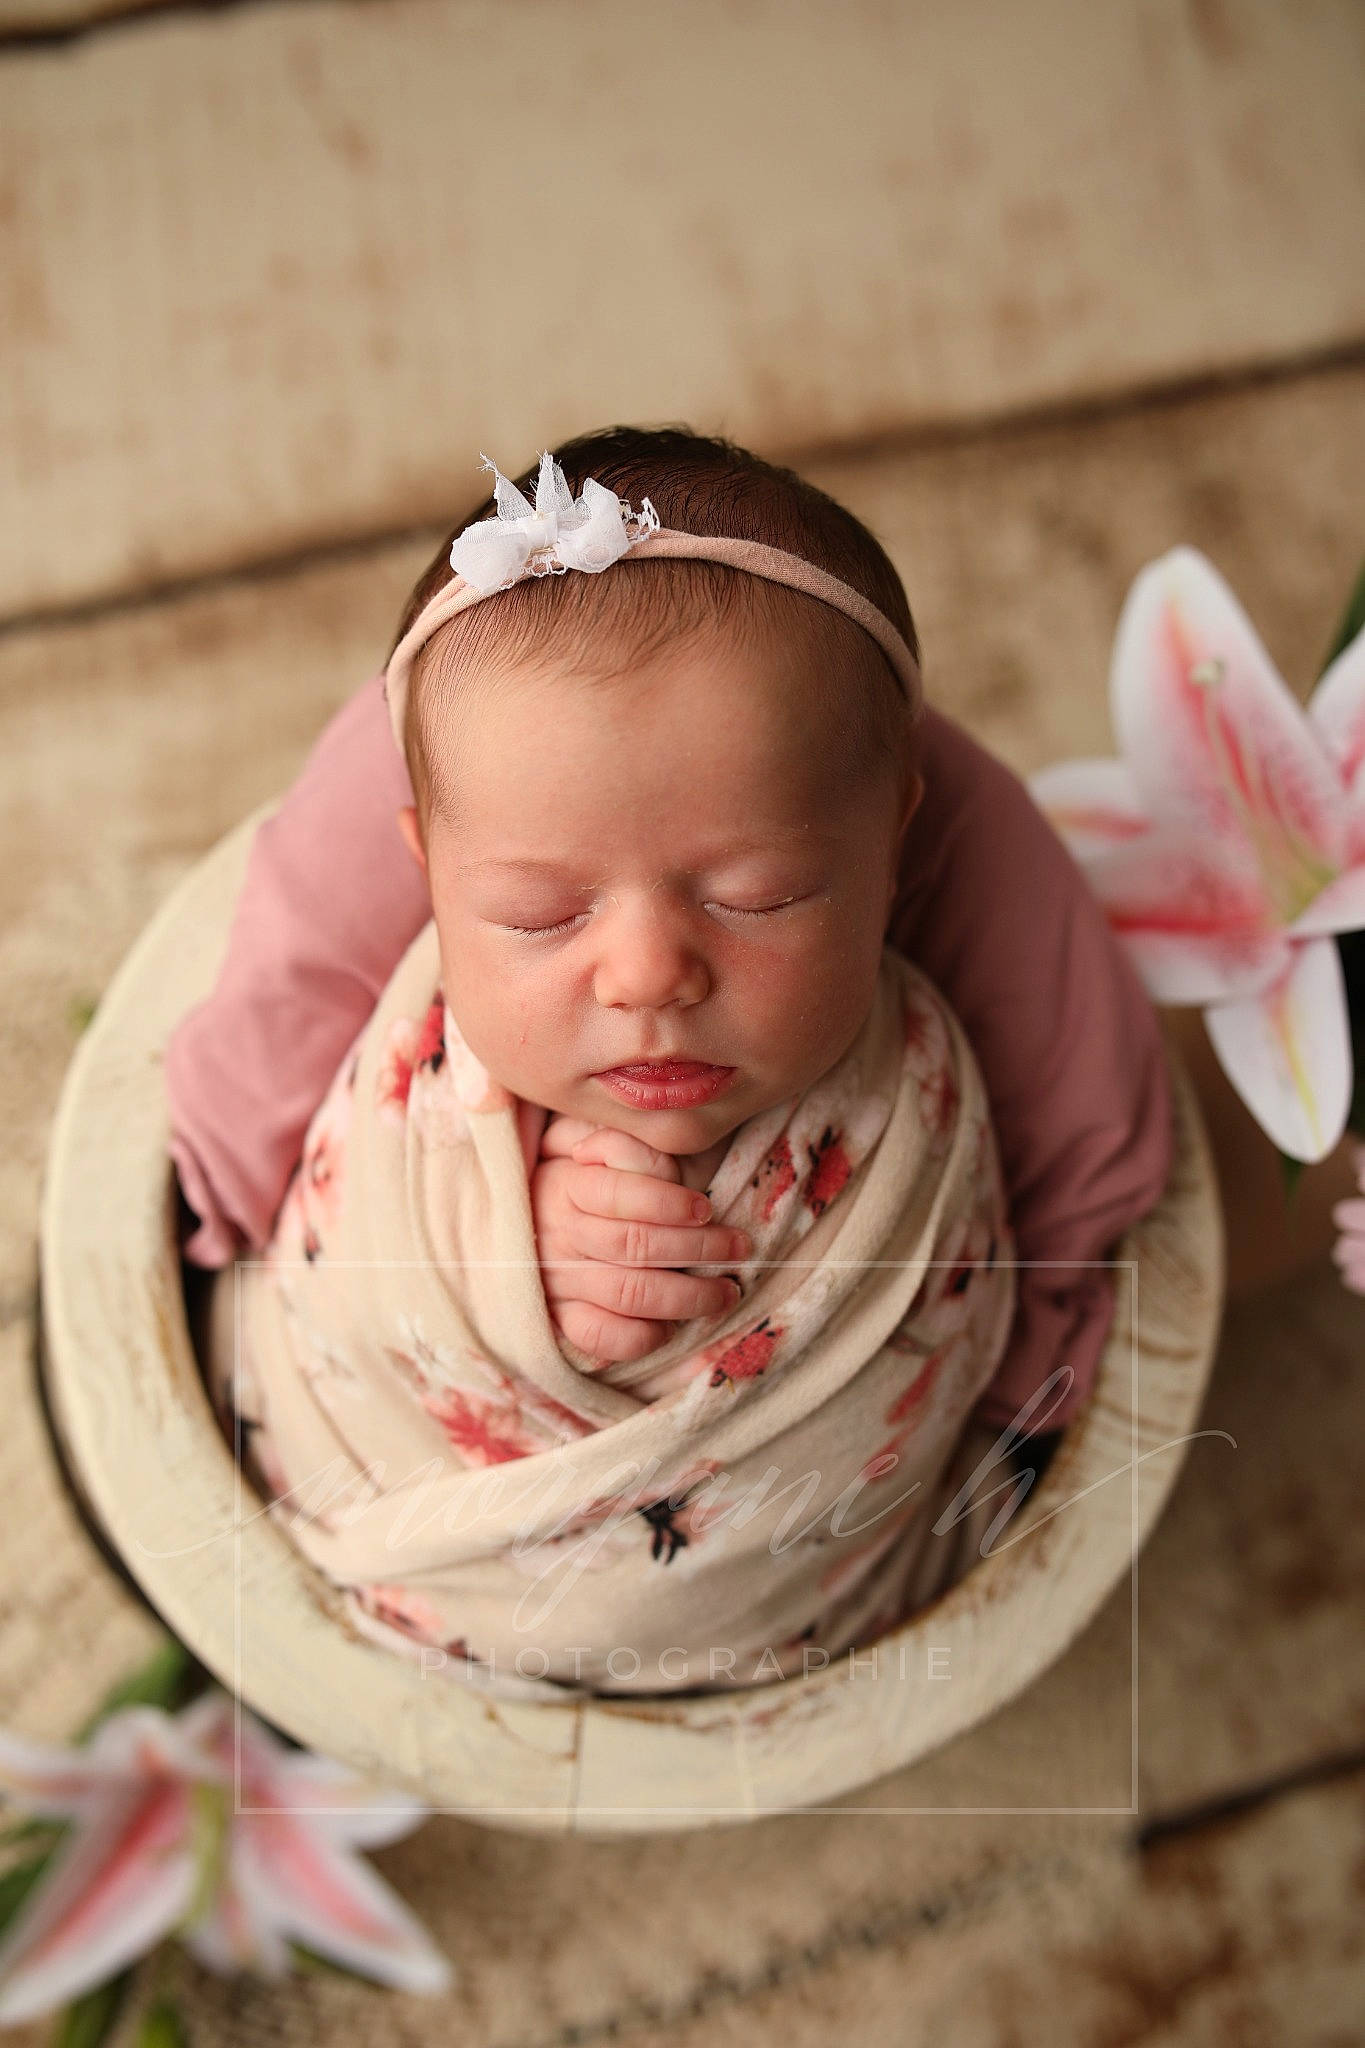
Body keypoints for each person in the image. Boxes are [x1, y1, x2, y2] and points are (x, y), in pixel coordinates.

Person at [172, 429, 1173, 1695]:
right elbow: (338, 1247)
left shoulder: (918, 1076)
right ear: (425, 867)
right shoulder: (416, 1039)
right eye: (539, 914)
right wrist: (501, 1262)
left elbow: (1001, 1268)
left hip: (778, 1611)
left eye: (761, 896)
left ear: (892, 846)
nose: (648, 973)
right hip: (362, 1493)